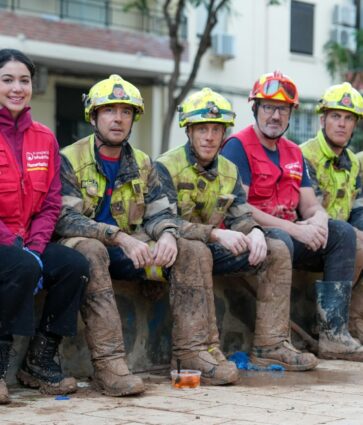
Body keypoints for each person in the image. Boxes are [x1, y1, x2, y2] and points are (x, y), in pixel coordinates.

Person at [55, 75, 239, 397]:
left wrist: (167, 236)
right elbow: (65, 219)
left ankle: (191, 354)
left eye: (126, 112)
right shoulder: (70, 158)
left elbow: (160, 213)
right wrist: (119, 237)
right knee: (92, 249)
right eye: (109, 110)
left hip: (133, 251)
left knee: (193, 250)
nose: (118, 118)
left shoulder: (142, 163)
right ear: (93, 116)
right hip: (85, 248)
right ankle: (109, 365)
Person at [155, 87, 318, 371]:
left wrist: (253, 231)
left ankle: (271, 345)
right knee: (196, 250)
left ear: (223, 133)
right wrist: (216, 234)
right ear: (189, 131)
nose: (209, 136)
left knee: (276, 248)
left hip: (211, 250)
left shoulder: (229, 169)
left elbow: (241, 215)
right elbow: (164, 222)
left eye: (216, 130)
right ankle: (193, 352)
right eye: (202, 129)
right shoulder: (165, 167)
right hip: (176, 252)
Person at [221, 70, 363, 361]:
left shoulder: (292, 152)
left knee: (343, 234)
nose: (275, 116)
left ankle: (333, 333)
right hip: (254, 235)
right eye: (269, 107)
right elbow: (241, 209)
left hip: (288, 233)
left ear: (290, 113)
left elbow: (310, 205)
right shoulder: (238, 145)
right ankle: (272, 343)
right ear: (255, 109)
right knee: (282, 240)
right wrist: (298, 230)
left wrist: (320, 220)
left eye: (282, 109)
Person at [0, 49, 89, 405]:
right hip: (5, 242)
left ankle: (40, 360)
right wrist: (19, 249)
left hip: (27, 242)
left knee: (74, 266)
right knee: (19, 264)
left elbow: (51, 202)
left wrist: (36, 248)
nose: (17, 88)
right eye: (7, 80)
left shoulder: (45, 138)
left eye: (24, 80)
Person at [300, 82, 363, 343]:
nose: (342, 124)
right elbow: (308, 209)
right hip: (308, 235)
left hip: (343, 238)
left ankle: (354, 322)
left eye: (349, 118)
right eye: (336, 116)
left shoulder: (352, 162)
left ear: (355, 125)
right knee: (355, 240)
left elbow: (358, 207)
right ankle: (332, 328)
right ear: (323, 118)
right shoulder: (304, 155)